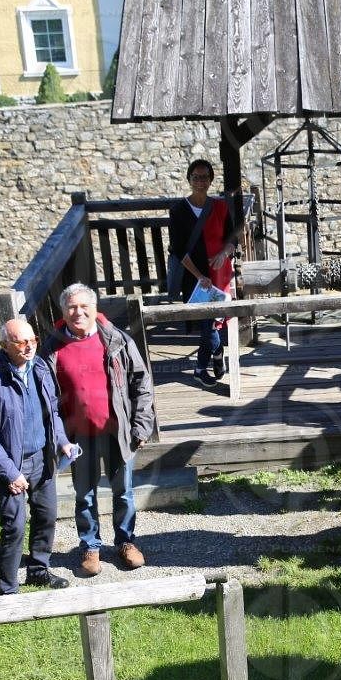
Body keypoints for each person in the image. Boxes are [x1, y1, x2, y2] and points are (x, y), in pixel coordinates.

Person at [42, 283, 156, 577]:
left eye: (84, 307)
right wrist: (57, 438)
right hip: (77, 437)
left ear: (94, 309)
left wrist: (141, 425)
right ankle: (90, 546)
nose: (78, 312)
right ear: (63, 311)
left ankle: (126, 542)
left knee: (124, 492)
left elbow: (141, 384)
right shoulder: (51, 348)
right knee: (85, 495)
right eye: (71, 307)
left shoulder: (117, 340)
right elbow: (45, 398)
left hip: (117, 431)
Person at [0, 318, 78, 595]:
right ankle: (6, 588)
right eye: (21, 342)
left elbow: (51, 413)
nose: (29, 347)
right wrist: (9, 473)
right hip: (11, 464)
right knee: (14, 526)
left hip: (42, 458)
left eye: (33, 340)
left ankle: (39, 571)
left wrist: (62, 442)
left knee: (47, 517)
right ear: (4, 345)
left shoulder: (40, 367)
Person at [167, 158, 238, 387]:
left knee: (211, 322)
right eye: (196, 177)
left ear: (210, 180)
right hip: (193, 277)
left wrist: (223, 255)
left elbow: (232, 239)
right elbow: (178, 249)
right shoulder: (178, 210)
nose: (200, 181)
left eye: (204, 177)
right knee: (207, 323)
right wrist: (199, 276)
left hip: (218, 274)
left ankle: (204, 365)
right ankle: (213, 357)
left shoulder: (220, 207)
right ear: (189, 180)